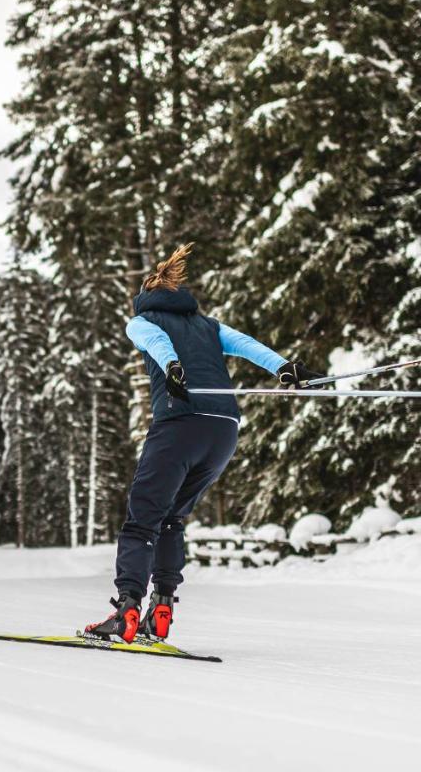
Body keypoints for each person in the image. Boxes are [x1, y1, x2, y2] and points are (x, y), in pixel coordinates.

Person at [84, 244, 320, 643]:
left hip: (180, 424)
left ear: (146, 294)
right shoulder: (208, 325)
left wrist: (173, 367)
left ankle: (126, 611)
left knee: (143, 518)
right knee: (172, 516)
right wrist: (284, 367)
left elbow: (158, 344)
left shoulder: (140, 321)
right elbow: (246, 344)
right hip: (224, 431)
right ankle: (161, 608)